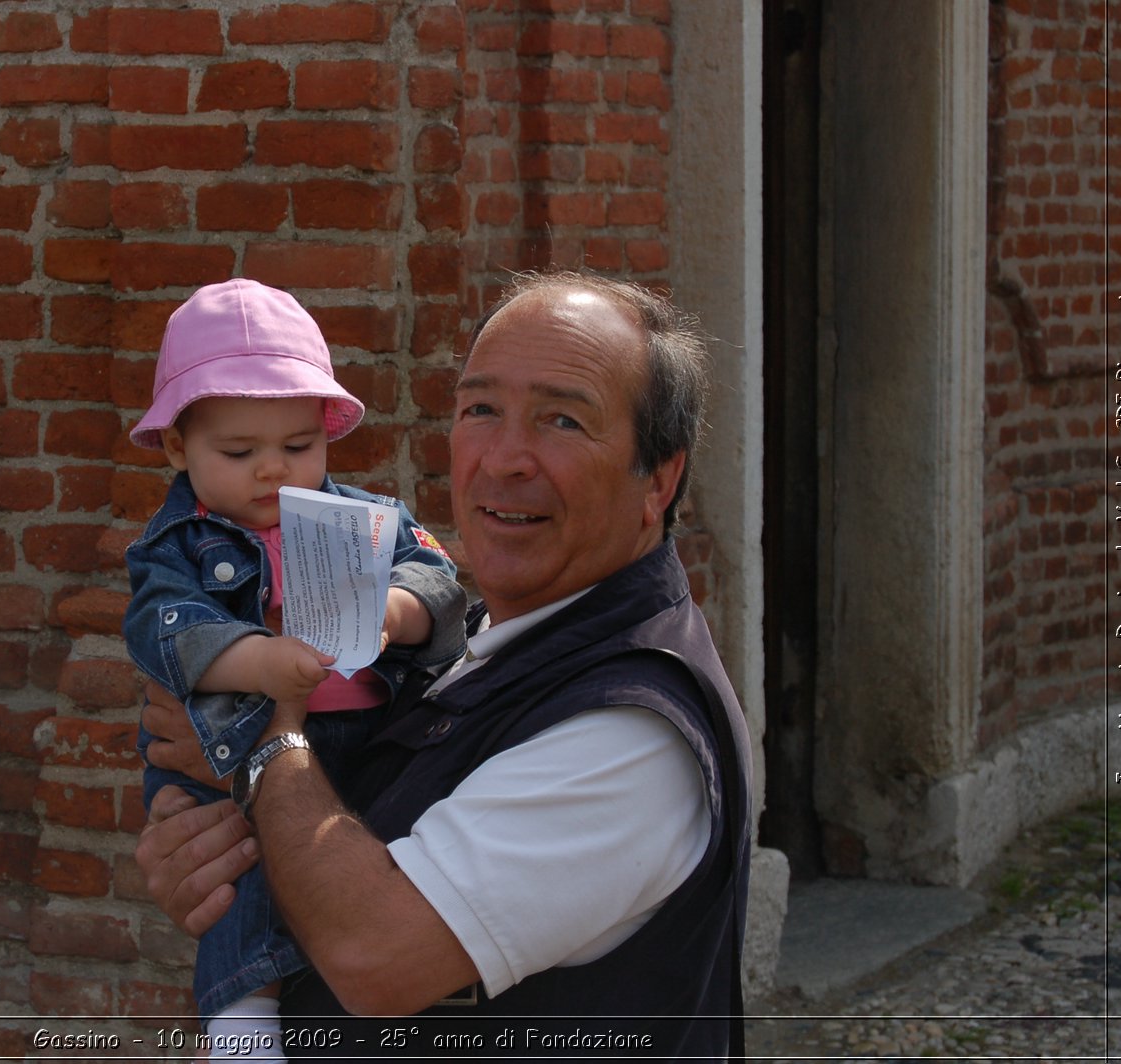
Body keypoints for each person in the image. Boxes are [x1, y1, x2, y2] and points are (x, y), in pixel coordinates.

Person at [135, 272, 753, 1061]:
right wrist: (215, 856)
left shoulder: (632, 729)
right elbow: (326, 847)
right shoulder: (486, 644)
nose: (503, 459)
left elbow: (376, 958)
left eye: (563, 420)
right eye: (480, 410)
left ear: (658, 481)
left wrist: (253, 742)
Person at [123, 278, 466, 1058]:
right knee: (239, 870)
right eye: (239, 452)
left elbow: (440, 582)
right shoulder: (175, 547)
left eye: (298, 447)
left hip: (369, 735)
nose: (272, 471)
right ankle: (242, 1023)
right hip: (235, 749)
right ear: (178, 447)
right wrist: (262, 662)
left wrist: (394, 612)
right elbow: (164, 632)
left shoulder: (369, 520)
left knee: (369, 875)